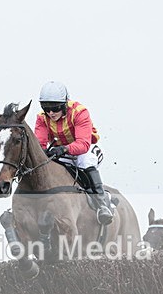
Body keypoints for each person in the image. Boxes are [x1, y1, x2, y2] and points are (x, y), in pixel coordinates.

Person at [33, 81, 113, 225]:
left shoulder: (79, 112)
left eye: (55, 108)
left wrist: (64, 149)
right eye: (46, 108)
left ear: (64, 104)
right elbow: (40, 145)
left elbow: (83, 144)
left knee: (84, 162)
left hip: (87, 148)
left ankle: (102, 204)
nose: (51, 113)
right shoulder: (41, 118)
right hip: (61, 151)